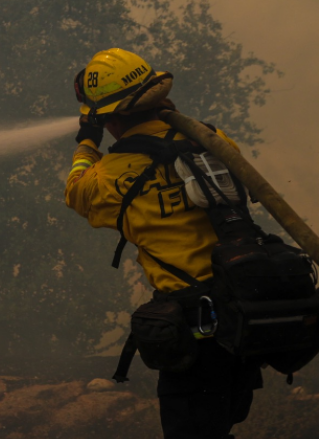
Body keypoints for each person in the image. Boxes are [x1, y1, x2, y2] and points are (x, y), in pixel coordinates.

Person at [64, 48, 262, 439]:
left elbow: (75, 191)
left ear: (112, 119)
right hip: (243, 314)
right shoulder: (211, 138)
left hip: (195, 332)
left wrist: (88, 141)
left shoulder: (106, 177)